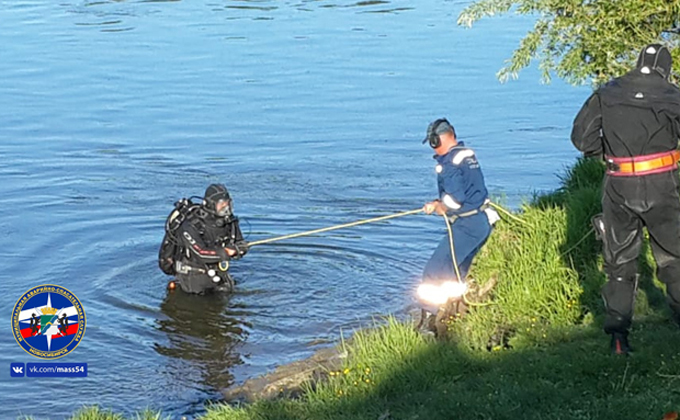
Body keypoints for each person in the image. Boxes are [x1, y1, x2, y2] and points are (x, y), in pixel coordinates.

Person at [571, 44, 680, 355]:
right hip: (661, 182)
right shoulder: (672, 95)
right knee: (673, 257)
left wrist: (609, 154)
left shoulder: (607, 92)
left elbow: (581, 139)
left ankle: (619, 338)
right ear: (665, 69)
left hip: (618, 184)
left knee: (619, 262)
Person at [418, 118, 498, 317]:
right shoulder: (466, 156)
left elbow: (456, 199)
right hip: (481, 221)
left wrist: (439, 206)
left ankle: (428, 318)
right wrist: (439, 201)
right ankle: (453, 312)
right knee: (454, 271)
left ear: (438, 140)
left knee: (434, 271)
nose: (432, 148)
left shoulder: (449, 165)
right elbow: (469, 190)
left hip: (467, 225)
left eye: (432, 143)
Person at [174, 183, 249, 294]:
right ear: (210, 204)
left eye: (228, 203)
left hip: (219, 273)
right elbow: (200, 253)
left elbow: (238, 241)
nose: (226, 208)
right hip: (194, 278)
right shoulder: (191, 225)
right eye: (221, 204)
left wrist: (241, 248)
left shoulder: (230, 222)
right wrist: (226, 252)